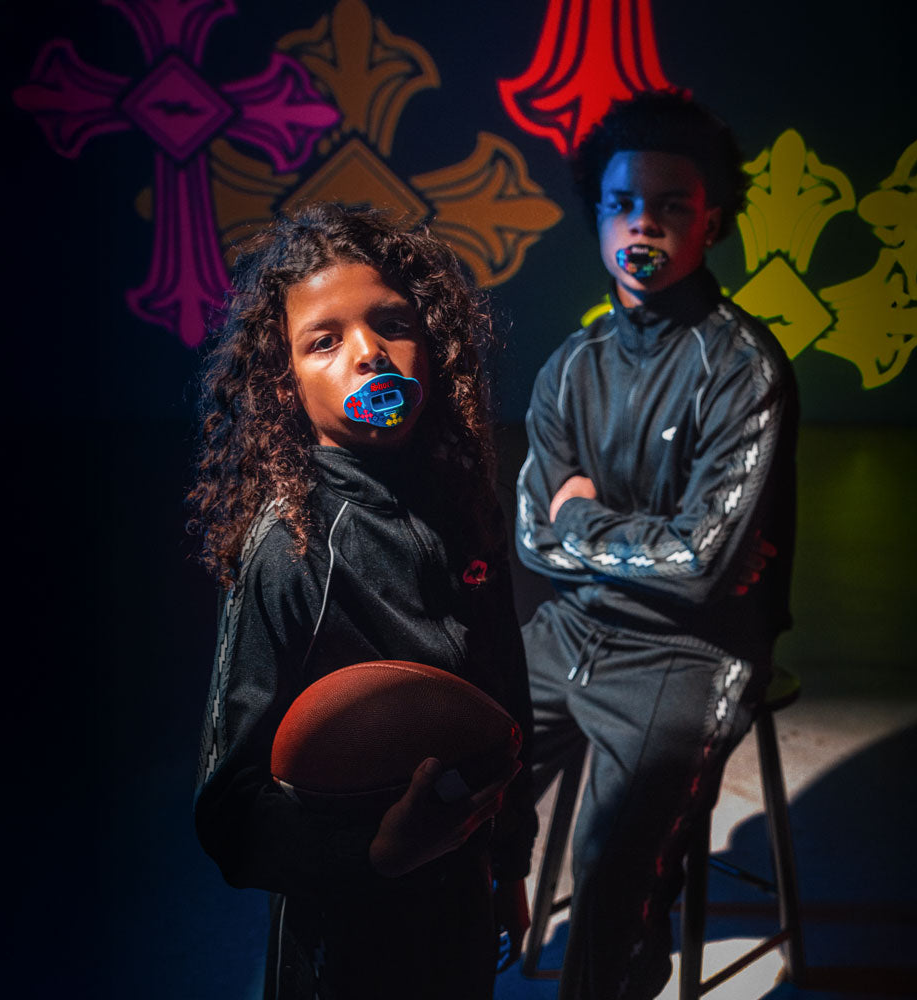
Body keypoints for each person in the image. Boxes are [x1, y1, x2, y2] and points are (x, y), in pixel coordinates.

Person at [189, 203, 535, 1000]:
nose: (370, 353)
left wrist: (509, 861)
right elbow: (230, 812)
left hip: (460, 906)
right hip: (343, 942)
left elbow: (505, 701)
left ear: (433, 346)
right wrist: (376, 852)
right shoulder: (290, 551)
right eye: (325, 340)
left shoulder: (465, 507)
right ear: (284, 383)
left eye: (393, 325)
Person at [515, 90, 799, 999]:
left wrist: (582, 520)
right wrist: (651, 548)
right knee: (446, 770)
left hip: (693, 653)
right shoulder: (569, 368)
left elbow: (701, 570)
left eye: (671, 205)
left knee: (611, 871)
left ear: (710, 221)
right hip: (573, 630)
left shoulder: (745, 370)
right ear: (598, 215)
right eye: (623, 203)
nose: (643, 225)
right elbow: (530, 536)